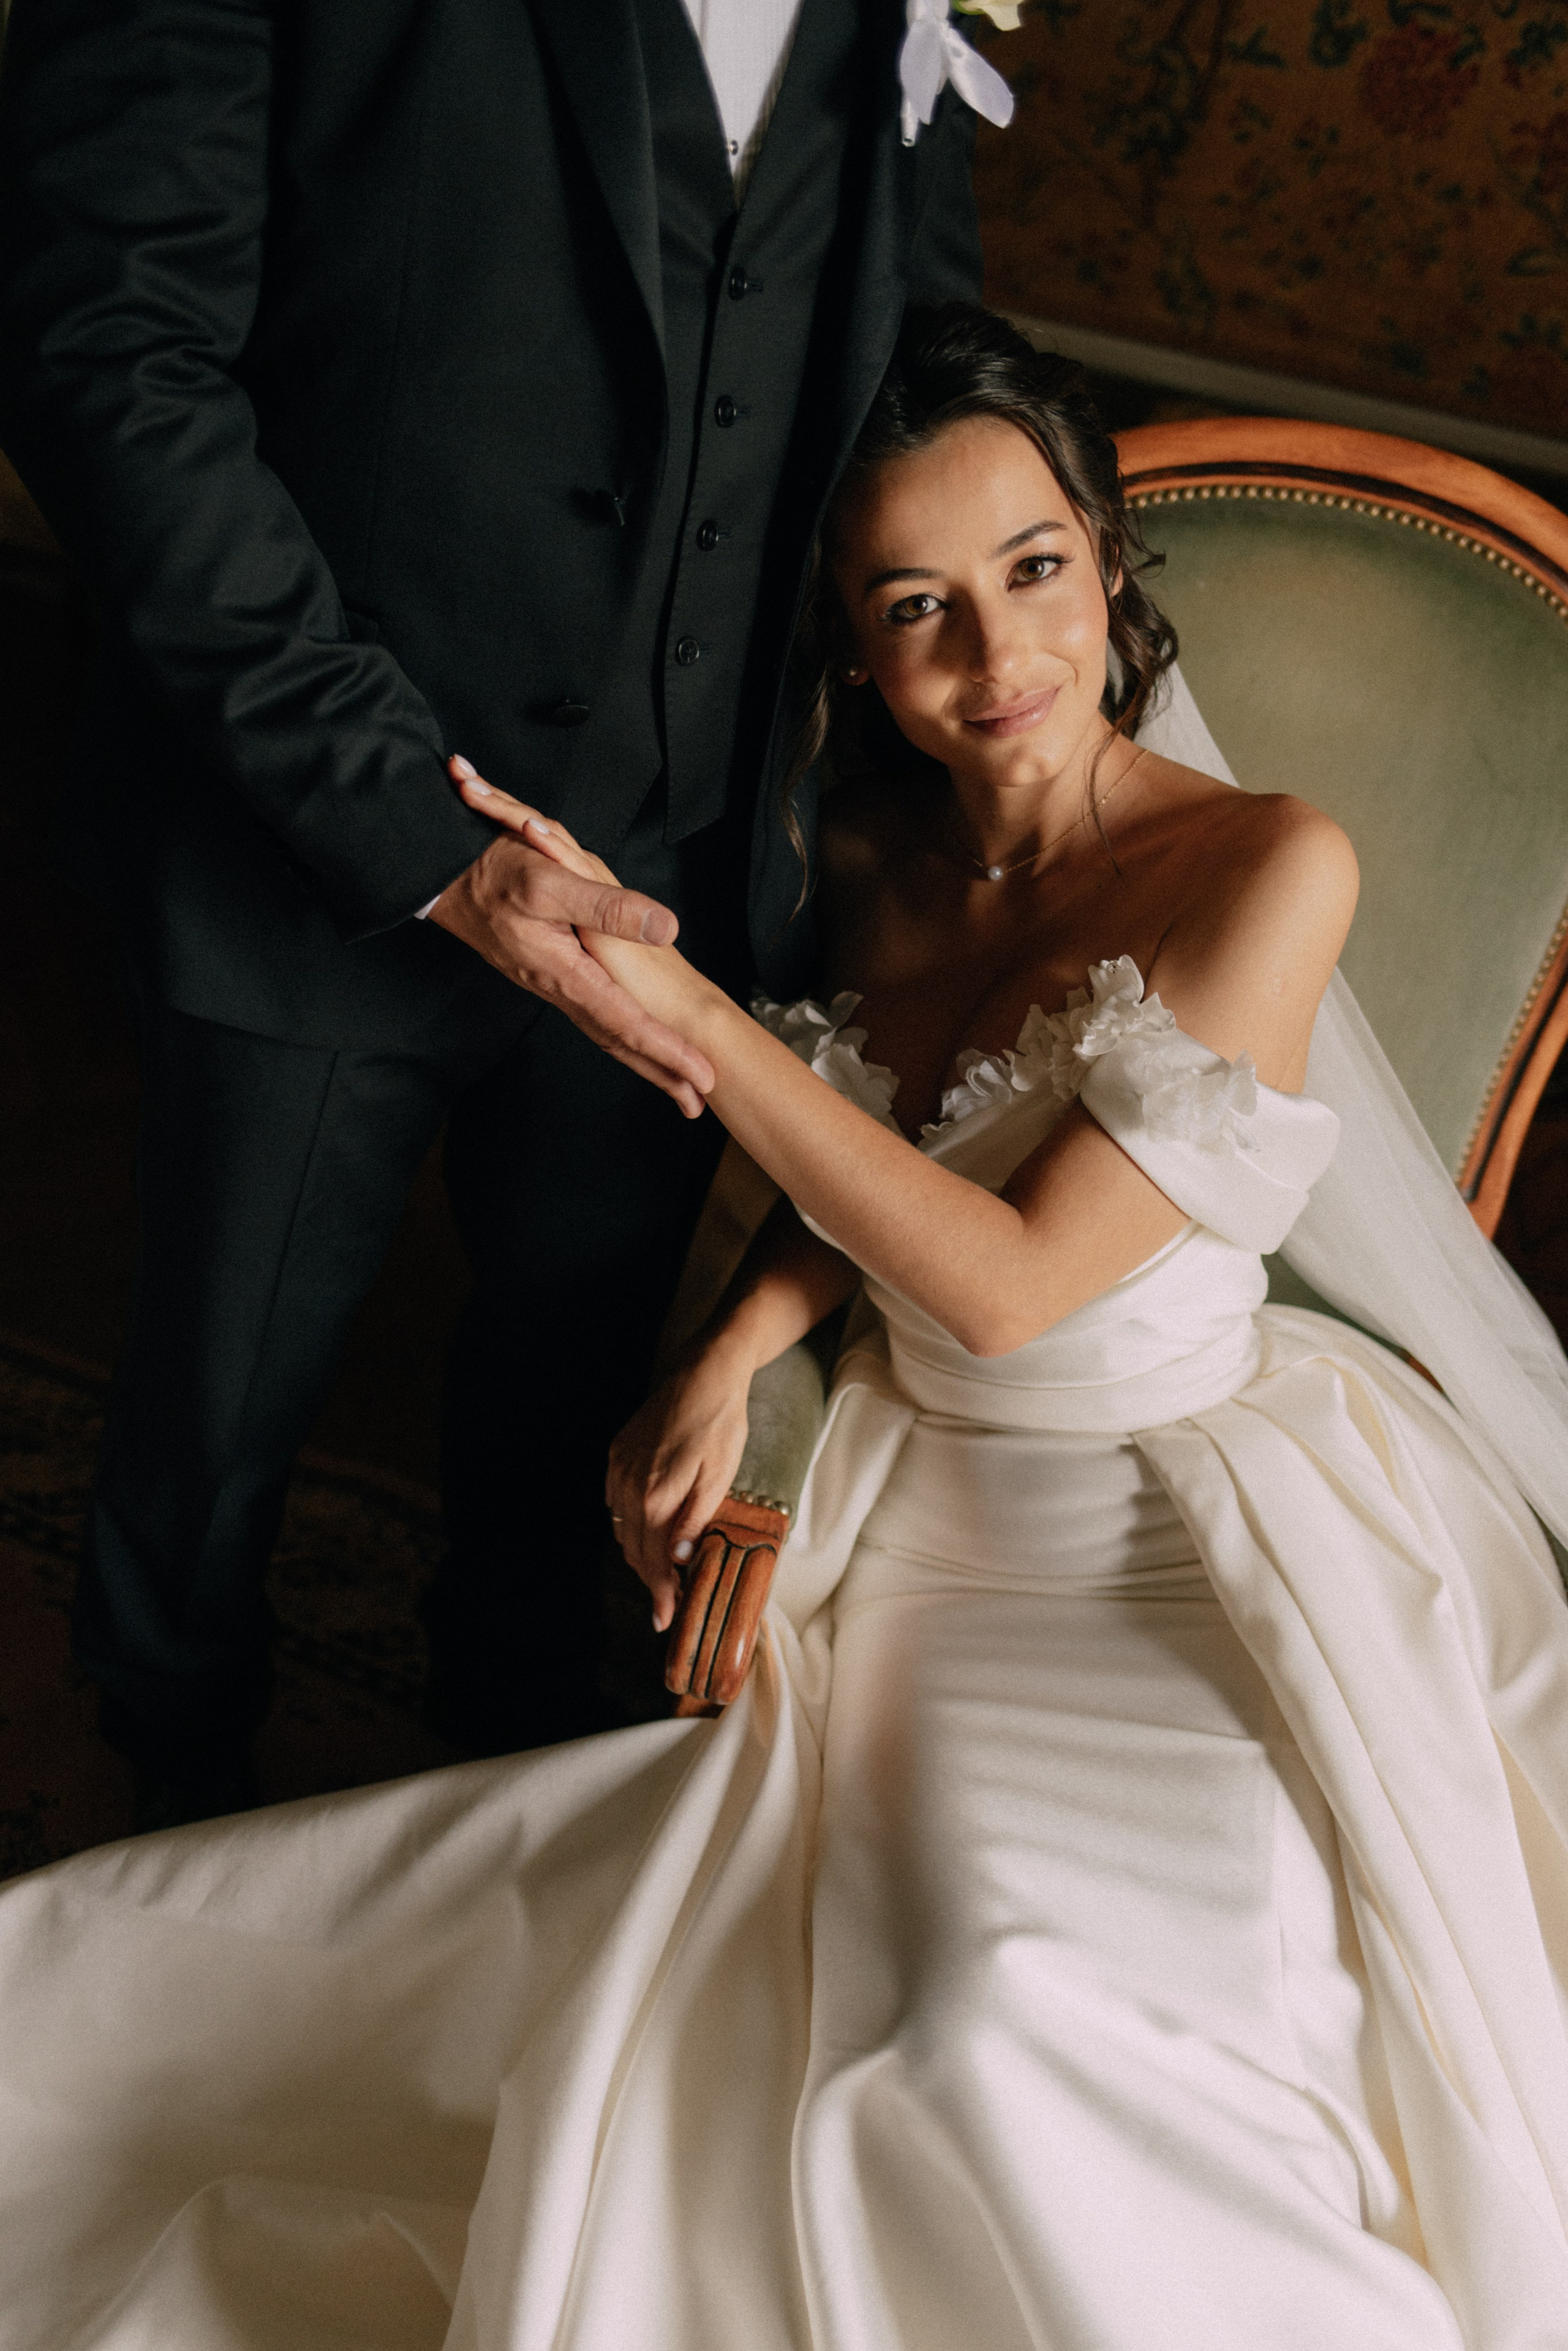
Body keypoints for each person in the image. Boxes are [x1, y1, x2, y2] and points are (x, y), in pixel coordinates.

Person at [4, 306, 1568, 2345]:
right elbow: (899, 1154)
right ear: (850, 646)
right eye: (916, 607)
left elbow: (1009, 1284)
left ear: (1107, 558)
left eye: (1032, 572)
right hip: (926, 1529)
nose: (997, 655)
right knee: (852, 1985)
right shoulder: (872, 862)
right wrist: (746, 1335)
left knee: (1005, 2017)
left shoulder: (1271, 865)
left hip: (1177, 1538)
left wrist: (688, 1021)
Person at [0, 0, 986, 1817]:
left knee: (573, 1419)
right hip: (310, 849)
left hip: (686, 873)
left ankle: (493, 1824)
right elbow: (106, 349)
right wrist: (412, 828)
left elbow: (911, 356)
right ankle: (152, 1814)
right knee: (213, 1420)